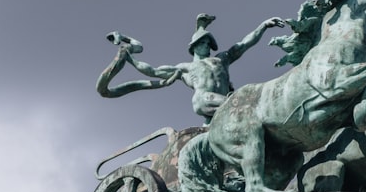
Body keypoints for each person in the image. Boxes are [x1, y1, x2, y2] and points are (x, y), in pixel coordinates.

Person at [97, 13, 285, 122]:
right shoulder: (185, 67)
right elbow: (152, 71)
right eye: (203, 43)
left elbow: (243, 44)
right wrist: (128, 58)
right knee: (244, 108)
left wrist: (263, 26)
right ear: (194, 46)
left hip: (224, 99)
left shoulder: (221, 59)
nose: (206, 46)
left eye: (208, 43)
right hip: (204, 99)